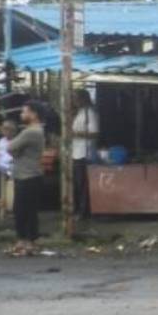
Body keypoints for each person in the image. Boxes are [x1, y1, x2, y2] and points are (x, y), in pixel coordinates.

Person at [9, 103, 46, 255]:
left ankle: (25, 241)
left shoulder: (30, 132)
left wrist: (16, 150)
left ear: (34, 114)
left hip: (27, 175)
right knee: (28, 210)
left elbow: (10, 147)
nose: (21, 115)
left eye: (24, 112)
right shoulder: (37, 130)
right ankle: (28, 242)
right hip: (29, 174)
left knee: (22, 210)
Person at [70, 89, 98, 219]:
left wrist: (76, 134)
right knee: (77, 183)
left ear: (83, 99)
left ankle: (83, 212)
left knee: (82, 184)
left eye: (76, 98)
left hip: (84, 153)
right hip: (76, 152)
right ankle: (78, 210)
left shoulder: (89, 113)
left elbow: (94, 133)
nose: (74, 101)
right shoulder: (79, 112)